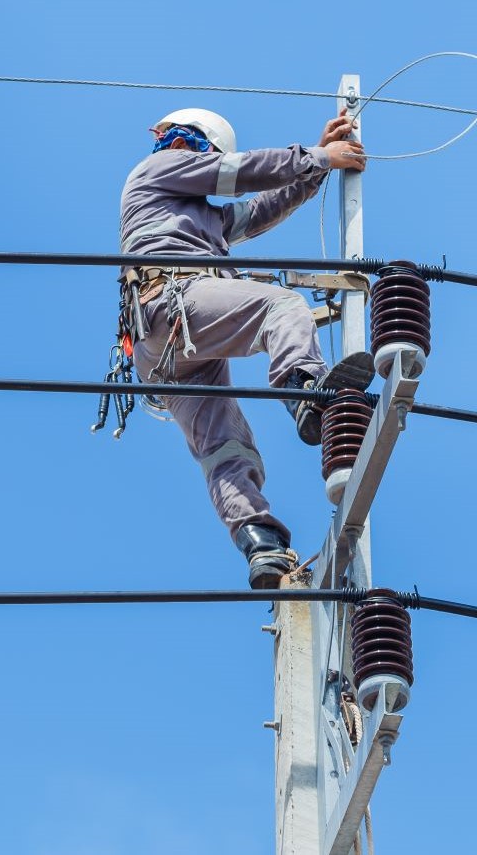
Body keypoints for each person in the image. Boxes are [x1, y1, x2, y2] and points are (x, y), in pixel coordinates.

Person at [119, 106, 371, 589]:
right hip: (178, 303)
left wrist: (317, 166)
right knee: (282, 308)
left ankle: (261, 544)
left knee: (225, 448)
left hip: (161, 345)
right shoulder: (157, 171)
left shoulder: (196, 217)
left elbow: (258, 210)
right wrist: (318, 155)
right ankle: (304, 389)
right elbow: (237, 173)